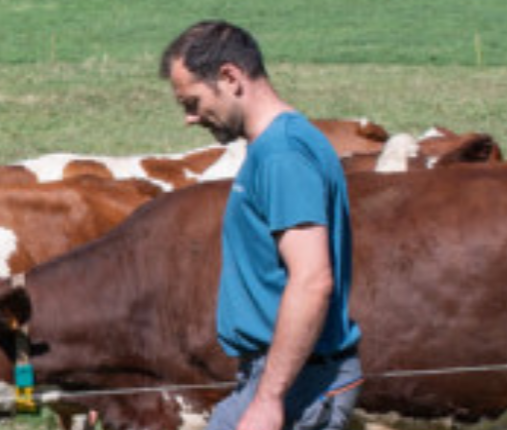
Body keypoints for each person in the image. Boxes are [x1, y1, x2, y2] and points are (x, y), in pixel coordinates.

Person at [160, 20, 363, 430]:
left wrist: (269, 399)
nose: (191, 119)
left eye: (193, 102)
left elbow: (311, 280)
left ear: (230, 77)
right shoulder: (280, 144)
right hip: (284, 375)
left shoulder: (281, 155)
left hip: (296, 382)